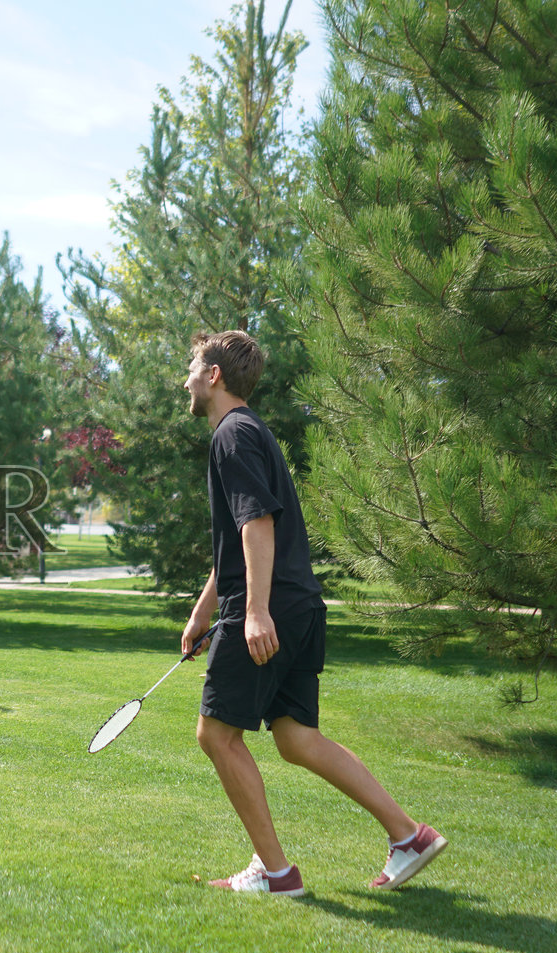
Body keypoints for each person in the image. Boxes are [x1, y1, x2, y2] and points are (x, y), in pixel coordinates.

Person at [180, 330, 446, 896]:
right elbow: (238, 535)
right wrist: (205, 611)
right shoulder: (251, 433)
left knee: (216, 735)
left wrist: (252, 612)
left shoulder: (232, 434)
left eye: (193, 367)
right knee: (296, 738)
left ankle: (276, 874)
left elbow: (259, 525)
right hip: (297, 605)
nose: (187, 378)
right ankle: (409, 836)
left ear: (215, 376)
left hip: (271, 607)